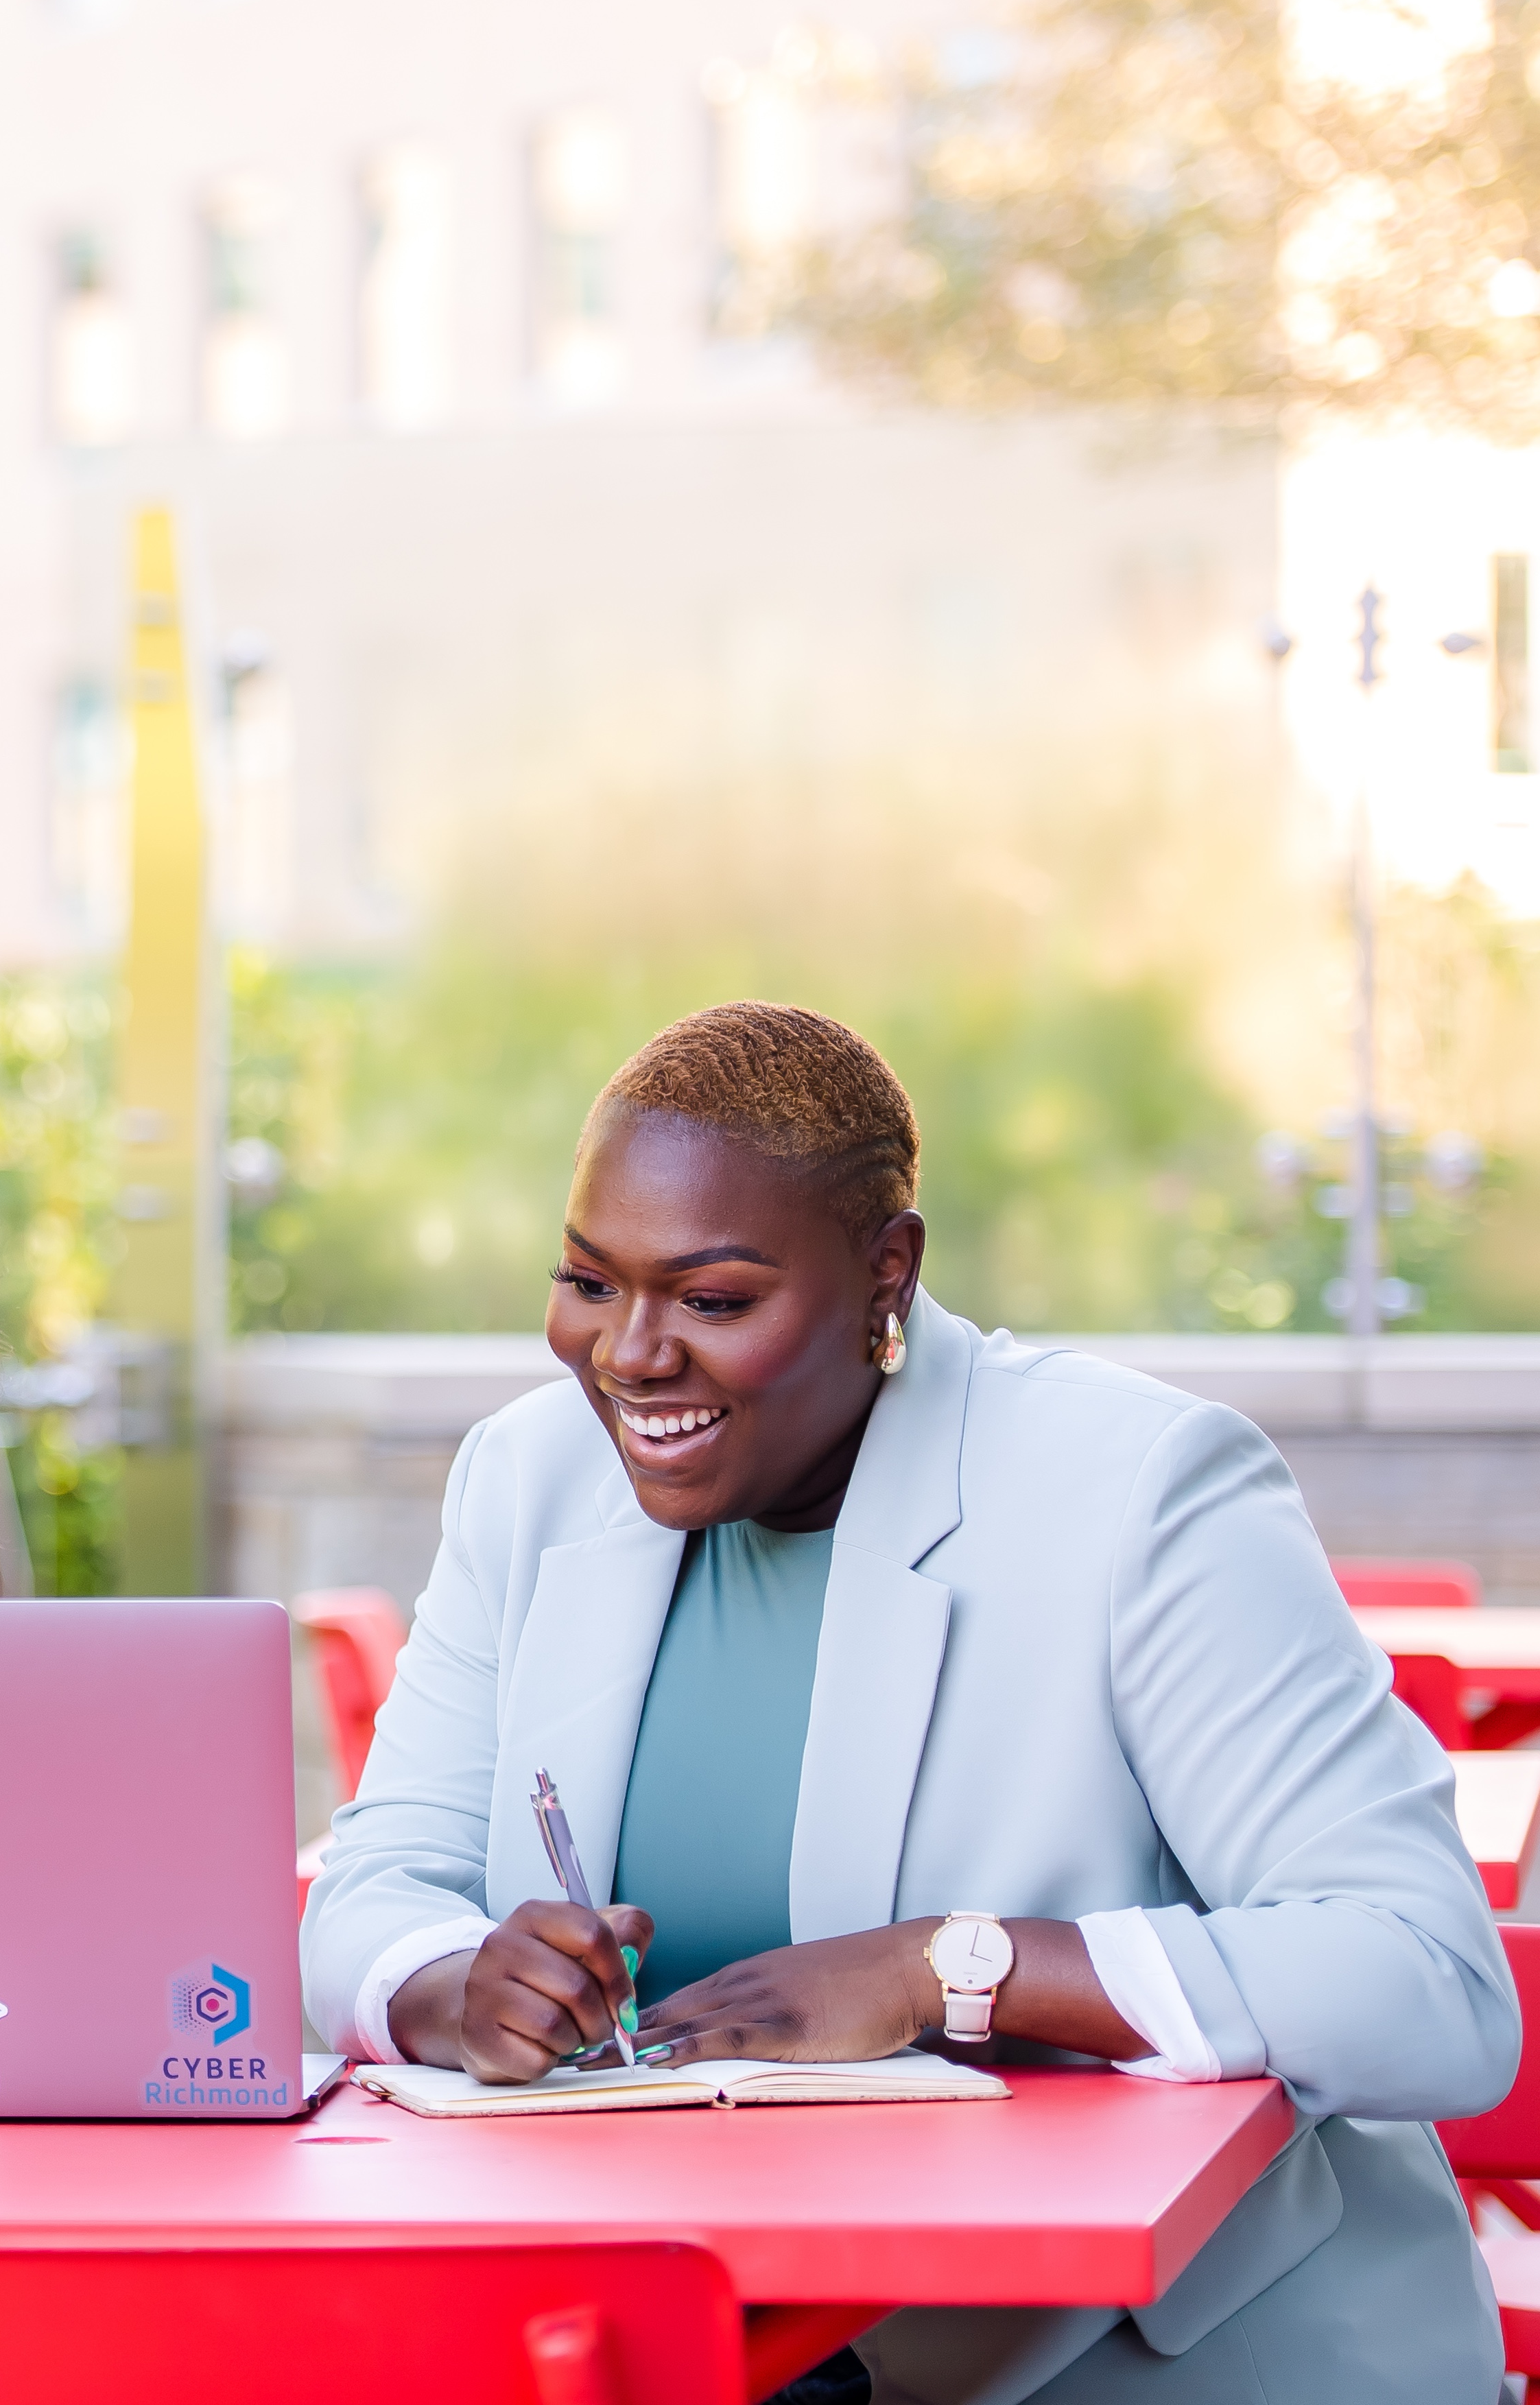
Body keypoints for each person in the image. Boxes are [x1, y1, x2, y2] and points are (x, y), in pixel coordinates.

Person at [300, 1002, 1515, 2405]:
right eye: (588, 1281)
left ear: (887, 1273)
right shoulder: (527, 1476)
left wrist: (943, 1965)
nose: (629, 1354)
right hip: (684, 2331)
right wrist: (458, 1985)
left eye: (711, 1299)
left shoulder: (1135, 1489)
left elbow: (1421, 1979)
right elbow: (371, 1889)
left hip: (1138, 2358)